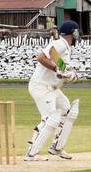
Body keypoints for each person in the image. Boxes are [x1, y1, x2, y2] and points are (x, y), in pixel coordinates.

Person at [25, 20, 81, 161]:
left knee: (68, 111)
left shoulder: (65, 47)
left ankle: (57, 147)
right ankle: (32, 153)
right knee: (51, 118)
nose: (78, 35)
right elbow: (41, 57)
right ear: (73, 33)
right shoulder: (60, 44)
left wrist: (69, 73)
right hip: (41, 87)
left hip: (53, 88)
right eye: (77, 32)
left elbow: (58, 64)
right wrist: (57, 69)